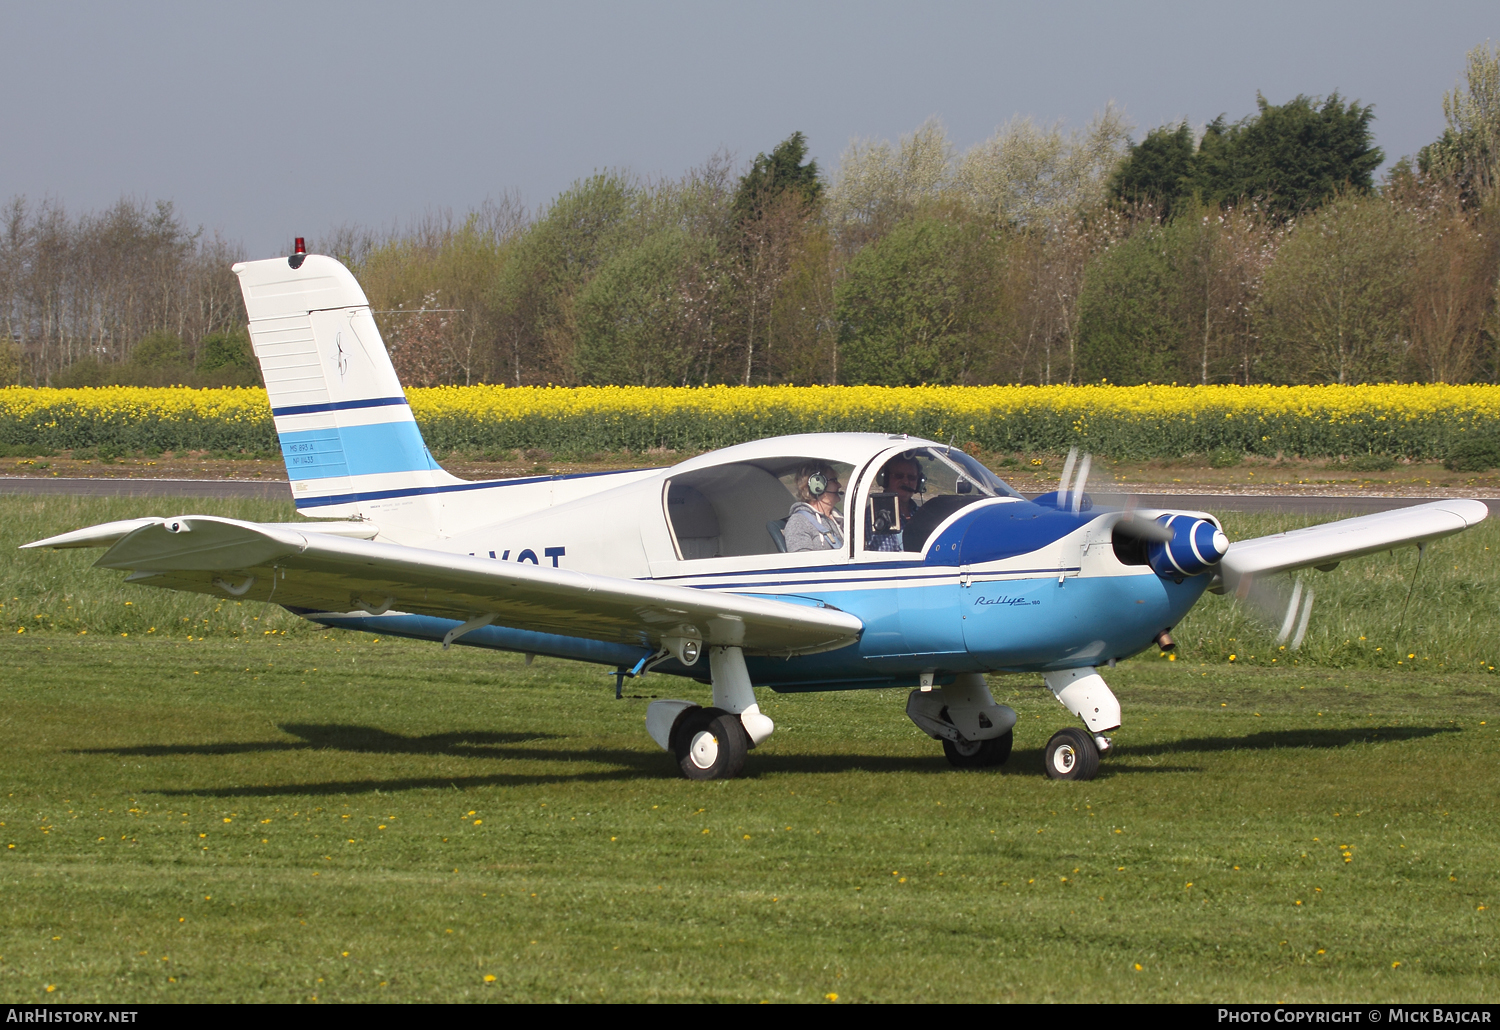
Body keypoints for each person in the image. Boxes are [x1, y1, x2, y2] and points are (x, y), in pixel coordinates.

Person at [867, 454, 923, 551]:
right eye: (899, 476)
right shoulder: (871, 516)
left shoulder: (923, 515)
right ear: (885, 479)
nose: (905, 481)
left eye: (911, 477)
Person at [784, 463, 845, 552]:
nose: (839, 485)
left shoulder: (838, 518)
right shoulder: (799, 522)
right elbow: (801, 561)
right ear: (817, 486)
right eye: (834, 480)